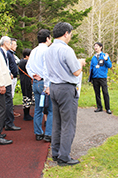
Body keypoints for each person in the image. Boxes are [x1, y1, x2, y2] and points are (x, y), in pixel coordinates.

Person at [45, 22, 86, 166]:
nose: (70, 36)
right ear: (66, 33)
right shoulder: (66, 50)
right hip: (66, 88)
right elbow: (76, 71)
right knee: (68, 124)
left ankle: (56, 153)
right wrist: (80, 63)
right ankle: (64, 156)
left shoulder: (49, 49)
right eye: (70, 34)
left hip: (54, 87)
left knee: (57, 122)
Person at [26, 29, 53, 142]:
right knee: (51, 110)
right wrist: (47, 85)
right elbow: (47, 69)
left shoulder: (33, 51)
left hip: (36, 82)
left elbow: (28, 66)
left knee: (38, 109)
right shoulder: (47, 51)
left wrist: (32, 75)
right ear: (47, 38)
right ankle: (48, 134)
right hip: (44, 83)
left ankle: (38, 133)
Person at [0, 36, 21, 131]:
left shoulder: (7, 53)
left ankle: (8, 121)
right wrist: (9, 73)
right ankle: (8, 122)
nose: (11, 45)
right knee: (7, 101)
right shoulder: (1, 52)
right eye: (9, 43)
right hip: (5, 79)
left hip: (9, 78)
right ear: (4, 43)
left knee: (9, 100)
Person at [89, 42, 112, 114]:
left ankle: (107, 108)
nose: (95, 48)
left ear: (101, 47)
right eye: (94, 46)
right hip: (95, 77)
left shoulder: (105, 55)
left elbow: (109, 65)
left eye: (97, 46)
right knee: (97, 93)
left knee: (105, 92)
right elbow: (91, 67)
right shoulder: (93, 57)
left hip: (102, 77)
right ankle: (99, 107)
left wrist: (106, 59)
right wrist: (91, 77)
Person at [18, 48, 33, 121]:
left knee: (26, 96)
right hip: (26, 81)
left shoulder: (21, 62)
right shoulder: (26, 62)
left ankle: (27, 114)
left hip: (23, 80)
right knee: (27, 96)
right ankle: (26, 115)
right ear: (27, 56)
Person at [8, 38, 21, 117]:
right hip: (11, 77)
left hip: (15, 76)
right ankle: (10, 112)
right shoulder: (8, 54)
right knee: (10, 95)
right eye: (14, 44)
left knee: (11, 95)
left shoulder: (13, 54)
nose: (16, 46)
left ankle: (11, 111)